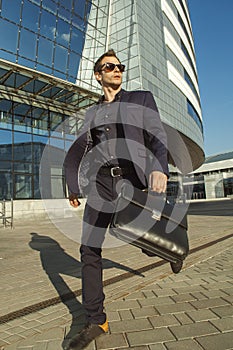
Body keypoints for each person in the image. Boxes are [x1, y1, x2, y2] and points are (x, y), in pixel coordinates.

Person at [64, 49, 169, 350]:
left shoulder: (141, 99)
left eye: (119, 66)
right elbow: (80, 148)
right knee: (89, 248)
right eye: (109, 67)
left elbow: (157, 136)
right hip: (102, 183)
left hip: (133, 179)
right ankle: (97, 320)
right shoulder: (92, 113)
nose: (116, 70)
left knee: (143, 237)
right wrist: (73, 185)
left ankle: (169, 251)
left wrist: (160, 169)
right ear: (98, 75)